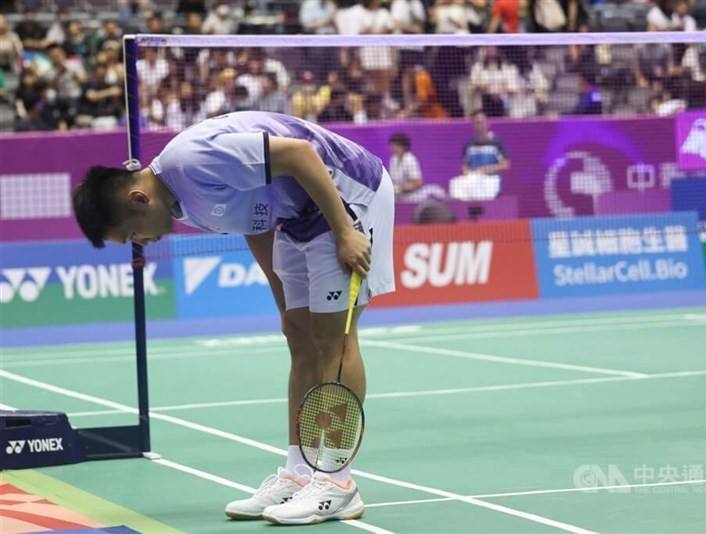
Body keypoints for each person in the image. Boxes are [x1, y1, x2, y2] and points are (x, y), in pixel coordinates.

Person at [71, 111, 395, 524]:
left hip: (345, 197)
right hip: (296, 217)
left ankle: (336, 482)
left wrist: (346, 230)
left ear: (138, 200)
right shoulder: (180, 203)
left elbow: (300, 154)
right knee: (300, 338)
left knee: (336, 341)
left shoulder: (195, 161)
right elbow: (254, 223)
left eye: (133, 235)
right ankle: (300, 473)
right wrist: (284, 304)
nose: (143, 244)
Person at [449, 110, 510, 200]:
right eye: (477, 122)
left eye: (482, 122)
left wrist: (486, 170)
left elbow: (505, 165)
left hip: (491, 184)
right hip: (473, 185)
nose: (480, 125)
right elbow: (464, 164)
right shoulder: (469, 144)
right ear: (473, 124)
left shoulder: (496, 143)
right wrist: (466, 172)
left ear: (488, 123)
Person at [388, 132, 423, 201]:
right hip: (397, 197)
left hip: (412, 197)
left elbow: (418, 183)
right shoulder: (393, 159)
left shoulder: (409, 159)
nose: (391, 148)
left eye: (394, 145)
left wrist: (401, 188)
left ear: (402, 146)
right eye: (391, 145)